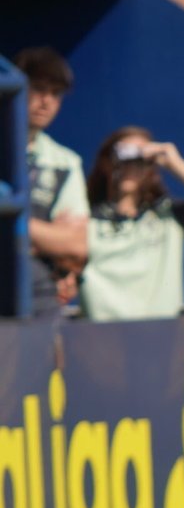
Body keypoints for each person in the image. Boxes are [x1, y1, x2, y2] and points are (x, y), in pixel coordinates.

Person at [80, 127, 184, 321]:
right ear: (105, 162)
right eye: (122, 155)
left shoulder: (167, 216)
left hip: (161, 336)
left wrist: (174, 163)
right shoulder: (86, 221)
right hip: (104, 338)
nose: (130, 167)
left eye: (139, 159)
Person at [18, 48, 89, 317]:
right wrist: (45, 236)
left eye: (56, 94)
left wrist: (13, 228)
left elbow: (75, 245)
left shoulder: (65, 161)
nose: (46, 101)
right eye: (38, 89)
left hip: (36, 289)